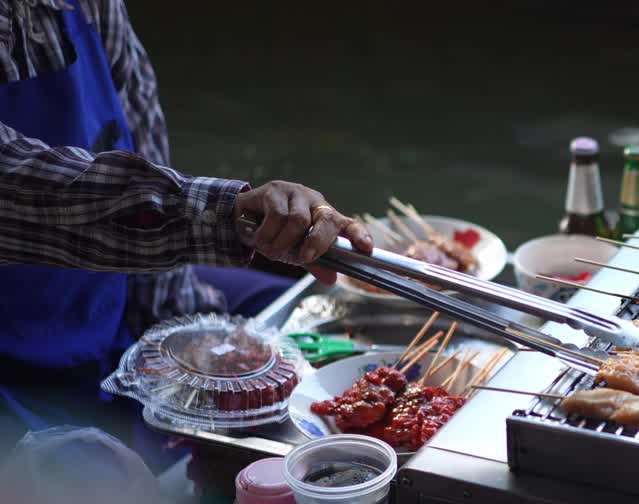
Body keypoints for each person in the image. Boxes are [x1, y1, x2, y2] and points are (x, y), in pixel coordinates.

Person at [0, 0, 372, 453]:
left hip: (114, 300)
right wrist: (225, 212)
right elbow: (16, 186)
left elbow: (139, 139)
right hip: (16, 361)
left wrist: (185, 339)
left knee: (326, 328)